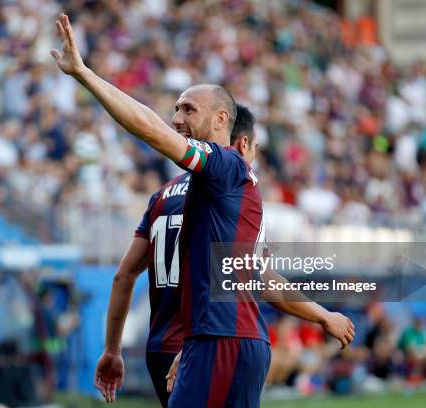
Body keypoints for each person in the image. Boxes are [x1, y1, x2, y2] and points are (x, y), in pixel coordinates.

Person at [51, 14, 354, 407]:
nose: (176, 119)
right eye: (176, 109)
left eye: (188, 110)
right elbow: (255, 277)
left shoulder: (223, 167)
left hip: (221, 340)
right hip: (209, 340)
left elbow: (151, 132)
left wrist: (85, 75)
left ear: (221, 121)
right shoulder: (211, 189)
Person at [94, 104, 258, 407]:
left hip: (158, 346)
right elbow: (253, 276)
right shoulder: (232, 190)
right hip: (200, 341)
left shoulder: (161, 196)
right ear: (242, 144)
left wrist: (112, 349)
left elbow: (124, 275)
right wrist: (321, 314)